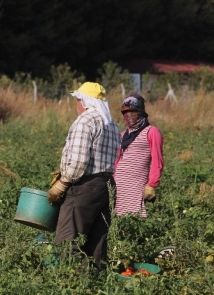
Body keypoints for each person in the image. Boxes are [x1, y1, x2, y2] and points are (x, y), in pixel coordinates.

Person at [46, 82, 121, 270]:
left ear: (84, 101)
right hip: (107, 185)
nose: (76, 104)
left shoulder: (86, 121)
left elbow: (79, 162)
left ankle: (71, 284)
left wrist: (63, 183)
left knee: (68, 238)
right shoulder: (111, 123)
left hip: (85, 186)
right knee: (97, 241)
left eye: (77, 99)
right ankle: (96, 282)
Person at [113, 94, 164, 217]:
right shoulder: (123, 135)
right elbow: (116, 161)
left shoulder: (151, 132)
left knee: (134, 217)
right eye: (125, 112)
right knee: (117, 219)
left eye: (133, 111)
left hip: (136, 184)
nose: (129, 115)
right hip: (118, 184)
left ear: (140, 112)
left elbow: (157, 161)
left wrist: (151, 184)